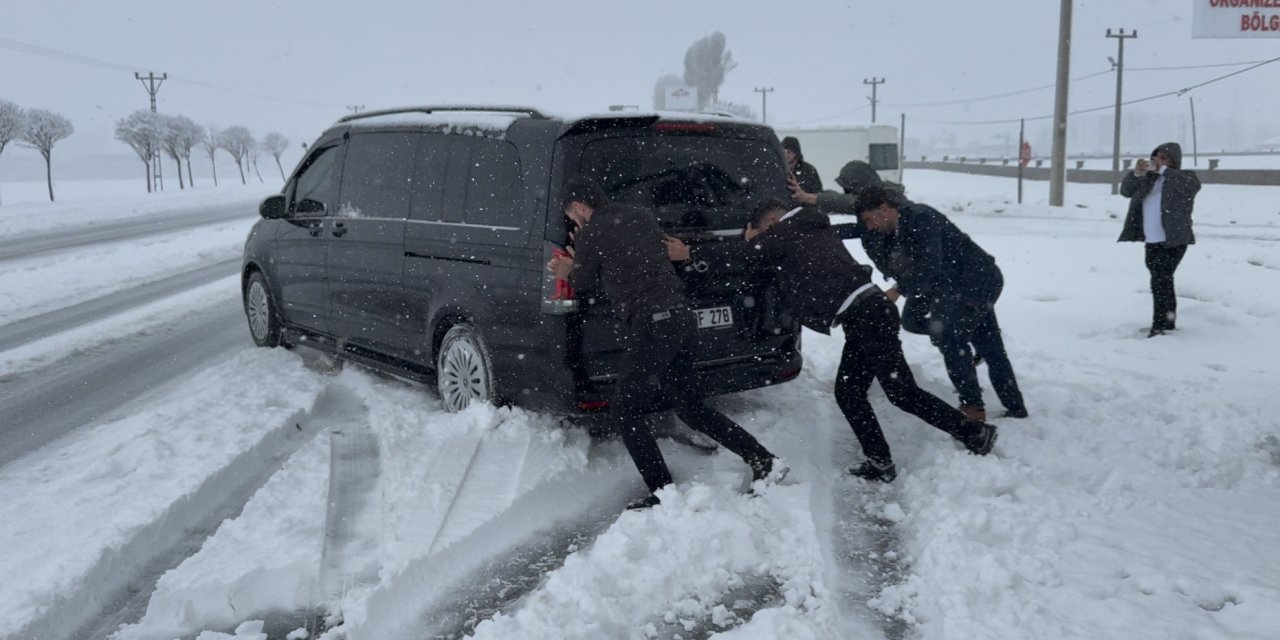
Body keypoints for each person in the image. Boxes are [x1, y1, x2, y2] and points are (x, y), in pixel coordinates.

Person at [666, 198, 998, 483]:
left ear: (771, 221)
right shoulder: (807, 226)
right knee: (850, 393)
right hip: (864, 315)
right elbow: (760, 254)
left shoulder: (789, 228)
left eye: (764, 230)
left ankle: (973, 433)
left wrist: (690, 252)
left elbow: (746, 253)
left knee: (901, 392)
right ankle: (880, 462)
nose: (766, 238)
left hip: (868, 315)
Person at [546, 177, 784, 510]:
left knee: (625, 411)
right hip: (680, 316)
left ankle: (662, 493)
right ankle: (764, 460)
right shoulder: (639, 216)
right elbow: (633, 261)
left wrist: (568, 267)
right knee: (690, 406)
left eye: (572, 215)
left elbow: (583, 284)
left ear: (580, 206)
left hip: (653, 323)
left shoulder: (593, 231)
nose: (574, 221)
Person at [854, 184, 1028, 423]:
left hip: (976, 281)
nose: (870, 226)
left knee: (952, 337)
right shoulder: (896, 225)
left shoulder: (921, 217)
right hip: (946, 285)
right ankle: (1013, 404)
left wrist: (898, 290)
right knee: (914, 322)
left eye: (869, 219)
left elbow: (928, 266)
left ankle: (974, 410)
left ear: (884, 208)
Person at [1118, 142, 1201, 338]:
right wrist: (1137, 173)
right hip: (1152, 240)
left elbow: (1191, 187)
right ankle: (1167, 323)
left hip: (1174, 240)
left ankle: (1160, 326)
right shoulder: (1148, 179)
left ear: (1173, 160)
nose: (1158, 161)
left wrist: (1163, 169)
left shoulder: (1184, 177)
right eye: (1156, 157)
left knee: (1161, 280)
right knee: (1160, 281)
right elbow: (1126, 191)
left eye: (1164, 157)